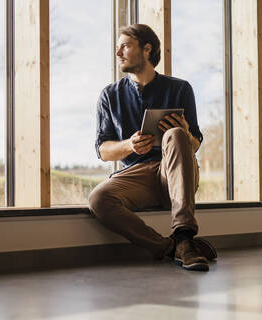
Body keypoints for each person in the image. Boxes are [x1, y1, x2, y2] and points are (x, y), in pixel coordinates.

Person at [88, 24, 217, 271]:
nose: (118, 54)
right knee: (98, 198)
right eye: (117, 48)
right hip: (136, 177)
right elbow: (103, 150)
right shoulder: (109, 95)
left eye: (124, 46)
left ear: (147, 49)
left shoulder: (180, 89)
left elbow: (196, 143)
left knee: (177, 134)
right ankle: (172, 247)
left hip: (174, 173)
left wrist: (186, 133)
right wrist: (129, 145)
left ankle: (184, 235)